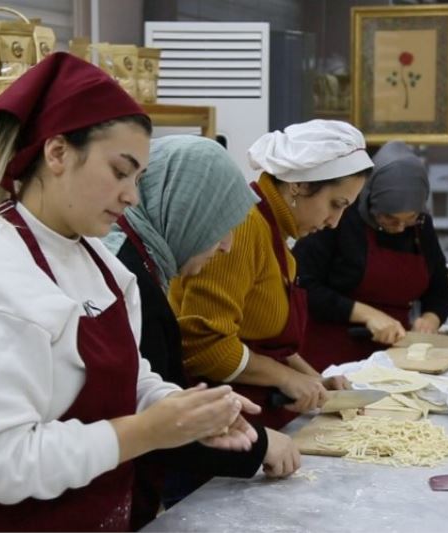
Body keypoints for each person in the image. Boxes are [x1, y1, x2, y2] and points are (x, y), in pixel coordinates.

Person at [0, 52, 259, 532]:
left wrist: (185, 411)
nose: (132, 196)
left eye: (139, 178)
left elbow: (130, 378)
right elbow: (1, 464)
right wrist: (147, 432)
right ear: (57, 153)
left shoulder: (97, 261)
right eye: (120, 172)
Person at [102, 135, 301, 523]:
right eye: (220, 226)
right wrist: (256, 445)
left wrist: (215, 415)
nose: (227, 246)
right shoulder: (129, 277)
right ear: (186, 211)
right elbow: (143, 419)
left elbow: (145, 387)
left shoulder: (140, 265)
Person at [168, 120, 374, 429]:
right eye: (336, 204)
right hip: (222, 424)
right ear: (300, 185)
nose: (334, 222)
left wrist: (315, 381)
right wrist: (286, 378)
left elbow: (267, 343)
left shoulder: (275, 234)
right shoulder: (244, 227)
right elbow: (204, 347)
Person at [293, 141, 448, 371]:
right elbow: (302, 285)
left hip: (396, 357)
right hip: (331, 357)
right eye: (389, 219)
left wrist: (430, 319)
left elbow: (441, 292)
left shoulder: (420, 225)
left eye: (409, 219)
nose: (400, 228)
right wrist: (367, 315)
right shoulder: (339, 217)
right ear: (372, 202)